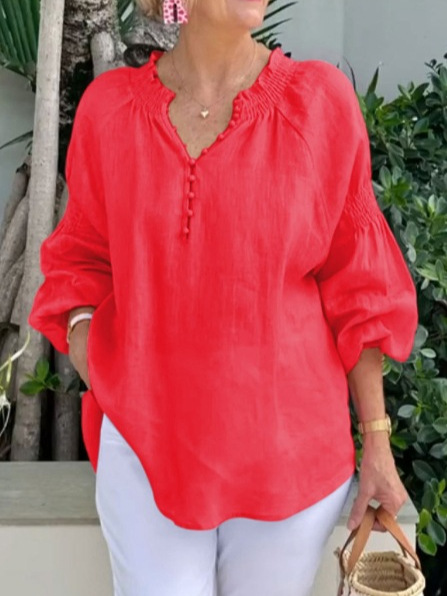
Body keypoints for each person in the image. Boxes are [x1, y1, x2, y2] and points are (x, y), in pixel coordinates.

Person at [28, 0, 419, 595]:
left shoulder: (318, 104)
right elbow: (80, 259)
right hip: (146, 451)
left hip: (290, 464)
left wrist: (378, 442)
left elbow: (358, 288)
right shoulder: (110, 111)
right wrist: (97, 358)